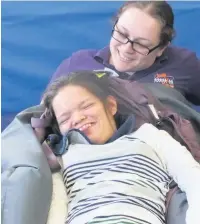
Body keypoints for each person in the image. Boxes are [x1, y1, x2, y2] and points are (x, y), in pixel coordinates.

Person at [43, 71, 200, 224]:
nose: (77, 118)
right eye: (65, 119)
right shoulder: (62, 156)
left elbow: (192, 177)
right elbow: (56, 206)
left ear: (111, 106)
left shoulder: (149, 136)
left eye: (86, 106)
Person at [49, 1, 200, 105]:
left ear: (161, 48)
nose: (127, 48)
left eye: (141, 44)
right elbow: (41, 119)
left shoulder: (183, 64)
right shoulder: (77, 64)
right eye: (121, 34)